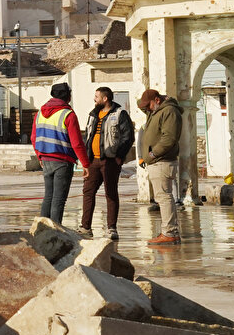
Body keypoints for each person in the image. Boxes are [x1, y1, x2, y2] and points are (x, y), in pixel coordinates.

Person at [31, 82, 91, 225]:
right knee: (59, 199)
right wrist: (85, 164)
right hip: (63, 161)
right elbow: (77, 143)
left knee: (48, 197)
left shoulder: (39, 113)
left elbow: (34, 137)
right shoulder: (68, 114)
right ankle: (55, 229)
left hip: (45, 159)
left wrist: (39, 155)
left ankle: (42, 228)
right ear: (68, 96)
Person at [79, 87, 134, 240]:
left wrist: (119, 157)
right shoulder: (93, 114)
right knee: (88, 192)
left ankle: (111, 228)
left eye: (96, 96)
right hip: (93, 161)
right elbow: (88, 136)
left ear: (105, 99)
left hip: (110, 161)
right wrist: (85, 160)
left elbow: (128, 137)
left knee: (110, 193)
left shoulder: (120, 114)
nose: (94, 99)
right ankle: (85, 227)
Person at [138, 88, 183, 245]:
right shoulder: (156, 111)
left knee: (164, 198)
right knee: (163, 197)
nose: (146, 109)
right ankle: (170, 231)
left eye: (148, 105)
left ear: (157, 100)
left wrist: (152, 154)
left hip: (162, 160)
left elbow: (169, 138)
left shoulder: (169, 111)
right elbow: (140, 104)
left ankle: (169, 232)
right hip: (157, 161)